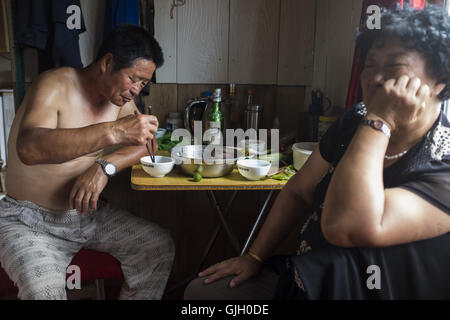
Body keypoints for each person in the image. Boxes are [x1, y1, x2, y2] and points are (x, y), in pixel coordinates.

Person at [184, 4, 450, 300]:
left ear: (440, 80)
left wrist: (381, 121)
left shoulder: (442, 162)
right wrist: (254, 257)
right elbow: (299, 191)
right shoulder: (354, 120)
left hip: (369, 290)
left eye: (394, 68)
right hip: (308, 276)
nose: (374, 79)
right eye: (370, 65)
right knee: (203, 295)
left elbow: (346, 227)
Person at [0, 24, 175, 300]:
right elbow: (29, 148)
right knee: (43, 292)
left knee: (157, 247)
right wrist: (113, 131)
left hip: (85, 217)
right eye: (133, 78)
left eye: (143, 83)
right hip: (27, 221)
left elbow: (148, 144)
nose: (136, 91)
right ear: (107, 63)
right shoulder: (55, 83)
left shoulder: (120, 100)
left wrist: (105, 166)